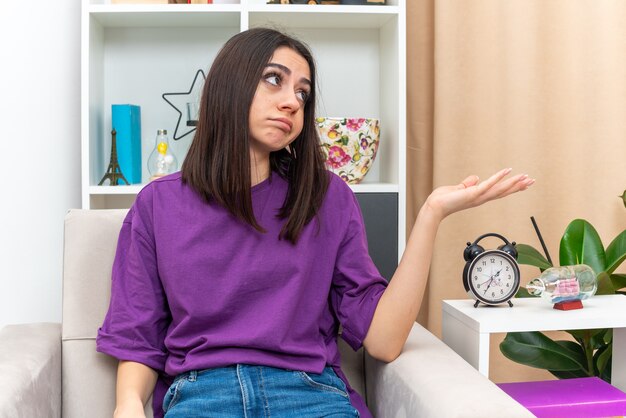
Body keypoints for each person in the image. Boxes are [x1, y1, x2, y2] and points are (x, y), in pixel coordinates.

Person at [96, 27, 535, 418]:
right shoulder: (159, 204)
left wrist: (430, 216)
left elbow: (382, 342)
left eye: (303, 93)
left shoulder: (328, 198)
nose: (292, 101)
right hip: (203, 396)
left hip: (308, 395)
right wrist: (127, 406)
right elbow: (139, 335)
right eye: (275, 80)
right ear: (229, 85)